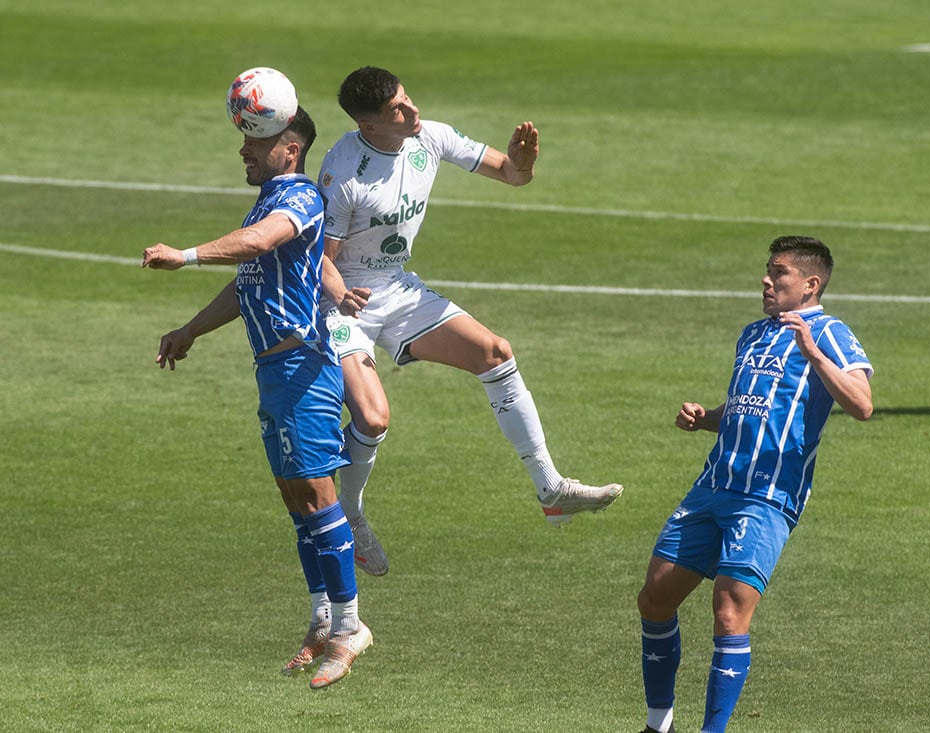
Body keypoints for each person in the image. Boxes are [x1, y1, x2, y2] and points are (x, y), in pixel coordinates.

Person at [315, 66, 622, 575]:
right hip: (344, 303)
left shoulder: (428, 136)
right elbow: (321, 258)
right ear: (369, 126)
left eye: (408, 98)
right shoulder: (345, 171)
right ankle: (349, 516)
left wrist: (524, 162)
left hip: (397, 287)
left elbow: (511, 174)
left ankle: (551, 489)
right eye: (397, 110)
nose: (412, 111)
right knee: (372, 419)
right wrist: (342, 294)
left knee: (494, 352)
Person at [142, 105, 371, 689]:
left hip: (303, 367)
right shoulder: (268, 200)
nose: (243, 149)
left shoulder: (297, 199)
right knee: (297, 499)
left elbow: (259, 243)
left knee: (319, 497)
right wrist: (190, 329)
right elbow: (249, 280)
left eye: (256, 139)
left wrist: (186, 255)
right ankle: (321, 620)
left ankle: (350, 627)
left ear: (289, 148)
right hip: (273, 371)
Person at [634, 236, 873, 733]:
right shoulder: (752, 335)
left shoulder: (830, 333)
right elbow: (749, 409)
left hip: (767, 498)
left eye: (779, 272)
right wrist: (706, 419)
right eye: (767, 270)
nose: (766, 280)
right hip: (713, 484)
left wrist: (814, 353)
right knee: (655, 597)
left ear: (810, 284)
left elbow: (862, 404)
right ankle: (659, 726)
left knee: (728, 612)